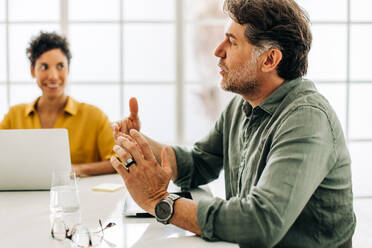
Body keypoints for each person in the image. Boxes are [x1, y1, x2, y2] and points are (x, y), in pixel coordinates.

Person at [110, 0, 356, 247]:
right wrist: (138, 142)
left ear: (270, 59)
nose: (218, 51)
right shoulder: (242, 106)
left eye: (232, 42)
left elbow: (260, 222)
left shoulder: (307, 119)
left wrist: (161, 202)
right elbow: (198, 162)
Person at [0, 32, 116, 177]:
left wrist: (79, 170)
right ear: (32, 71)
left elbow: (118, 160)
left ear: (68, 69)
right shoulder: (13, 116)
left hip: (81, 198)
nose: (53, 76)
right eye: (44, 67)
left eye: (60, 66)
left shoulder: (94, 116)